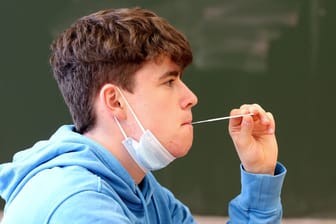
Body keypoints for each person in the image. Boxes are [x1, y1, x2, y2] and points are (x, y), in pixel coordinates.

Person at [0, 7, 286, 223]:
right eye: (169, 81)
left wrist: (259, 174)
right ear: (116, 101)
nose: (191, 98)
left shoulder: (141, 190)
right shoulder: (80, 206)